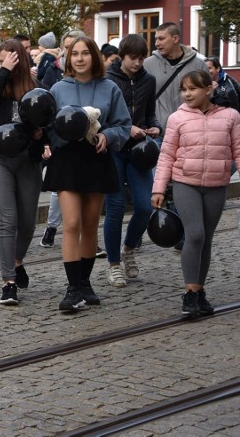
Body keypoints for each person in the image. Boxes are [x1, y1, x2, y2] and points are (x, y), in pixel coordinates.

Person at [44, 36, 131, 312]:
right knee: (71, 223)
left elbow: (123, 125)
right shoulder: (58, 88)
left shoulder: (110, 88)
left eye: (85, 53)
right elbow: (48, 125)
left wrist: (108, 134)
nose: (80, 58)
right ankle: (72, 288)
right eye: (75, 54)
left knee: (91, 224)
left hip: (97, 158)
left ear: (94, 57)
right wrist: (51, 140)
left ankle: (85, 283)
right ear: (68, 59)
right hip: (67, 159)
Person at [152, 70, 240, 316]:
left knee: (207, 238)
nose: (187, 94)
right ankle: (190, 293)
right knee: (195, 235)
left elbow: (238, 150)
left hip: (216, 185)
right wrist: (159, 188)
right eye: (184, 89)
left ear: (209, 89)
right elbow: (167, 154)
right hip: (185, 183)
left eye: (193, 89)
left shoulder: (230, 116)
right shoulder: (177, 118)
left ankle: (199, 291)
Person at [0, 41, 46, 305]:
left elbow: (48, 125)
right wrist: (2, 72)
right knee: (8, 221)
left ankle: (17, 262)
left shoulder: (37, 89)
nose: (7, 64)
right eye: (2, 60)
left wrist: (41, 135)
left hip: (28, 160)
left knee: (27, 223)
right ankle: (8, 283)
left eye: (11, 60)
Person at [103, 34, 161, 287]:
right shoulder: (107, 80)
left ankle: (128, 248)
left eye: (141, 58)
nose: (137, 63)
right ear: (122, 56)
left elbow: (150, 114)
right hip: (114, 149)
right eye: (133, 58)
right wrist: (127, 128)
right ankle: (114, 264)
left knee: (145, 206)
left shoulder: (149, 81)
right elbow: (103, 119)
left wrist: (155, 127)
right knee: (115, 208)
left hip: (139, 151)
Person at [37, 29, 85, 248]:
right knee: (59, 190)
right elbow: (46, 106)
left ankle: (85, 234)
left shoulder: (92, 80)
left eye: (74, 47)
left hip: (86, 142)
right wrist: (48, 140)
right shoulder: (53, 70)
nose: (71, 53)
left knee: (85, 190)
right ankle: (52, 227)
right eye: (67, 47)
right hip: (61, 140)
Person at [144, 22, 208, 135]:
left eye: (161, 39)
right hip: (158, 132)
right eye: (156, 39)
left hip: (191, 131)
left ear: (175, 38)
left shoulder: (199, 64)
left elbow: (207, 97)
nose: (157, 43)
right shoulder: (147, 64)